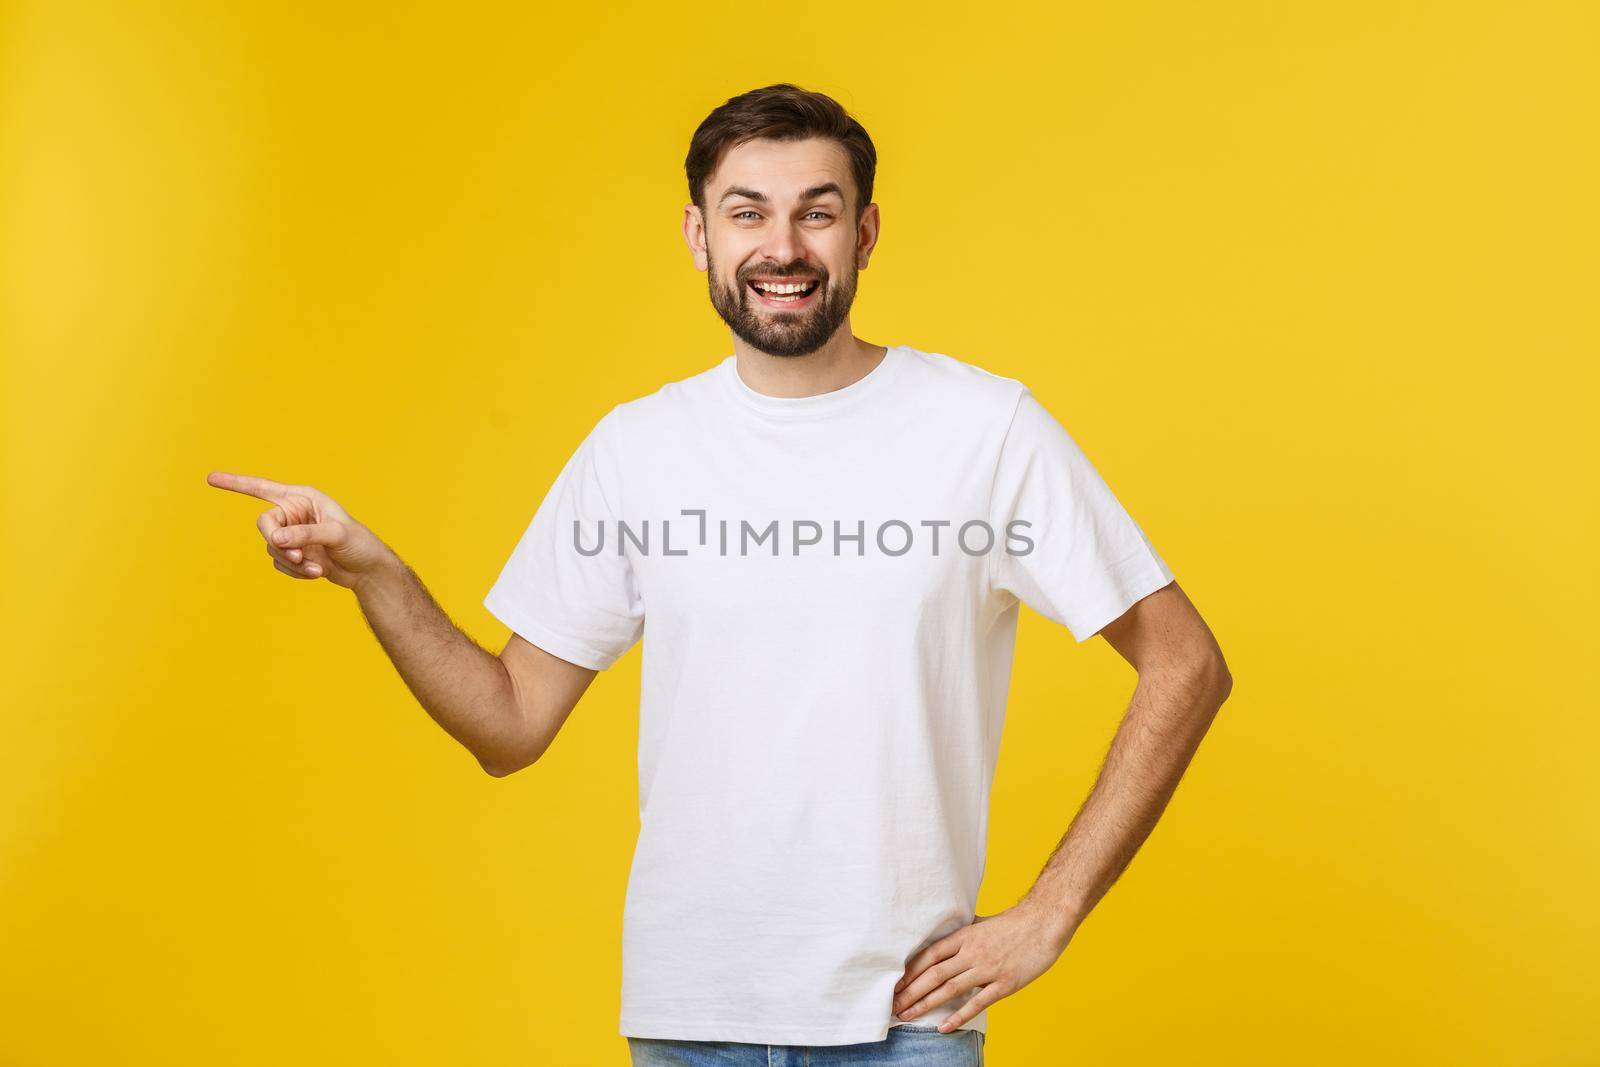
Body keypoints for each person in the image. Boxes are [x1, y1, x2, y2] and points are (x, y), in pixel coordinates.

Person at [207, 83, 1232, 1067]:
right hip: (689, 1018)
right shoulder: (637, 448)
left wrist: (1047, 914)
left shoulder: (985, 429)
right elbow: (508, 724)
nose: (781, 247)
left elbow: (1185, 663)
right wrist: (377, 574)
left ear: (863, 233)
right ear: (699, 235)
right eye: (747, 213)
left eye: (815, 213)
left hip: (904, 1024)